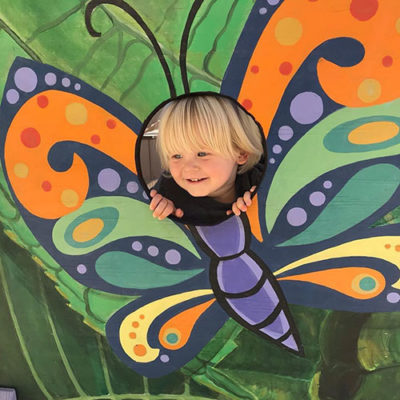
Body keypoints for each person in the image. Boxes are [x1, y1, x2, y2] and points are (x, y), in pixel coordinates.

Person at [148, 93, 265, 225]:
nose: (188, 167)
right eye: (177, 156)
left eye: (202, 154)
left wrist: (254, 204)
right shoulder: (167, 191)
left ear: (241, 154)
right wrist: (164, 212)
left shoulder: (258, 182)